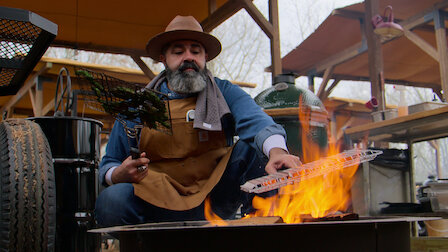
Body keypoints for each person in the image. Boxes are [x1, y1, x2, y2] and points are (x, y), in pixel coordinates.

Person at [95, 15, 301, 227]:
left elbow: (258, 122)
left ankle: (261, 233)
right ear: (163, 58)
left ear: (205, 58)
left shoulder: (224, 92)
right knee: (112, 200)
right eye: (178, 51)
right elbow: (109, 163)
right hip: (155, 201)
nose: (188, 58)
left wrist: (277, 151)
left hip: (214, 200)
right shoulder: (137, 105)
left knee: (256, 149)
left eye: (195, 51)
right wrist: (118, 174)